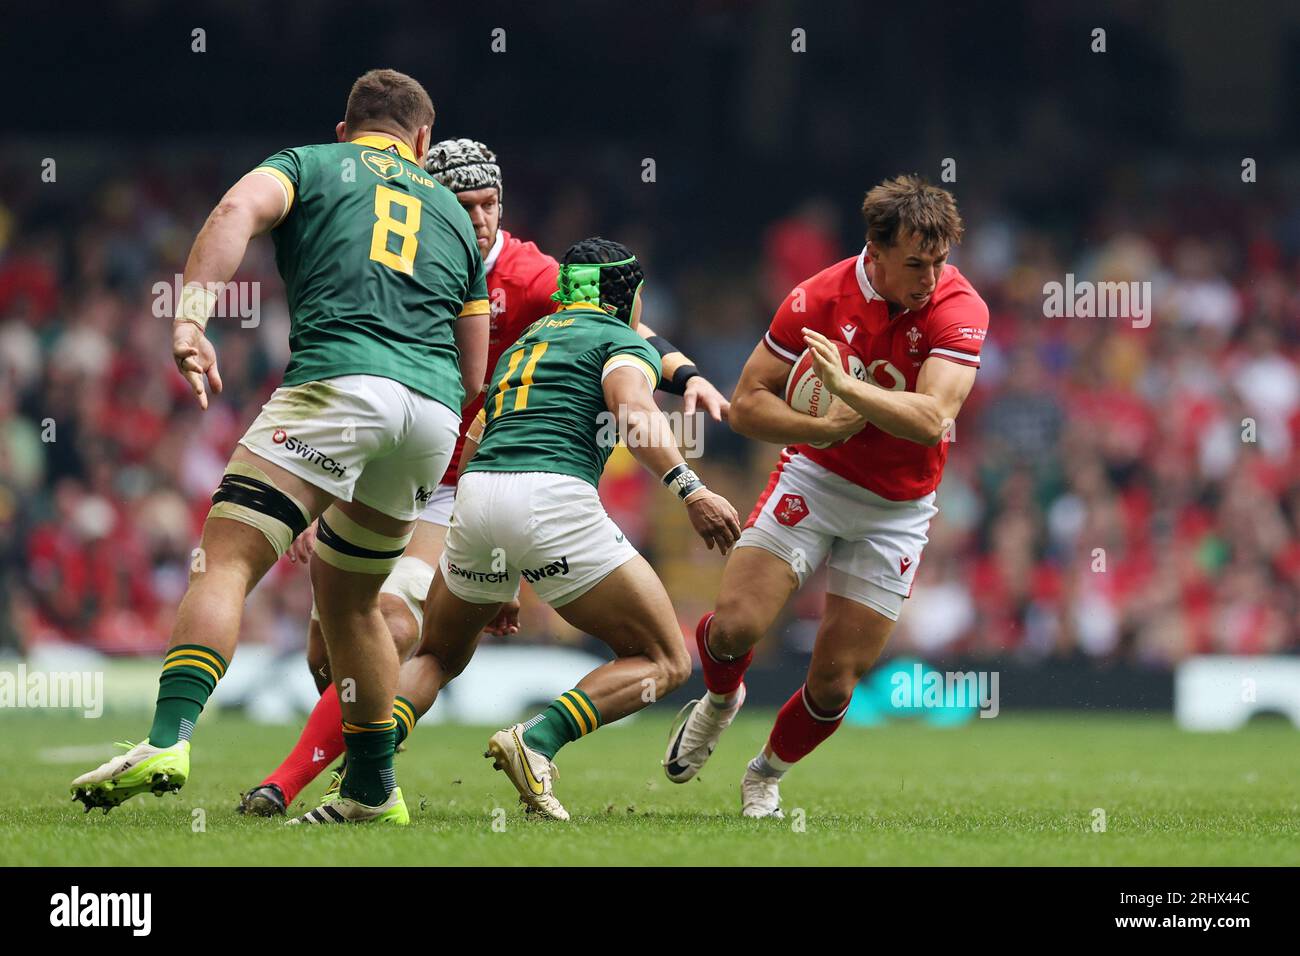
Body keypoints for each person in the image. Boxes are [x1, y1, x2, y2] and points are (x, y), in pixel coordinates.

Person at [238, 139, 730, 816]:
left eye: (487, 203)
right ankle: (527, 742)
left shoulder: (533, 288)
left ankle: (317, 786)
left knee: (406, 632)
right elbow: (631, 394)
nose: (476, 218)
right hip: (442, 472)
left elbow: (599, 343)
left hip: (464, 483)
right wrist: (690, 486)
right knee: (663, 658)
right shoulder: (403, 265)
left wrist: (689, 372)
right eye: (462, 205)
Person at [71, 69, 489, 826]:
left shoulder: (308, 164)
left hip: (339, 383)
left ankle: (169, 738)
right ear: (422, 140)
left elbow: (236, 209)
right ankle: (370, 788)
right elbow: (473, 366)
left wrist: (192, 316)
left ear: (345, 129)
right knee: (354, 600)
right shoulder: (456, 218)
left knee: (229, 555)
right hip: (430, 417)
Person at [662, 175, 989, 817]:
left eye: (940, 261)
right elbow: (746, 407)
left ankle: (765, 775)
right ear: (875, 251)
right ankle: (721, 699)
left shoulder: (960, 306)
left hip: (897, 507)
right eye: (915, 264)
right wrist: (820, 427)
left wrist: (846, 389)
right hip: (815, 477)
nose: (930, 278)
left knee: (835, 681)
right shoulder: (817, 296)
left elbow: (932, 419)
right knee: (734, 628)